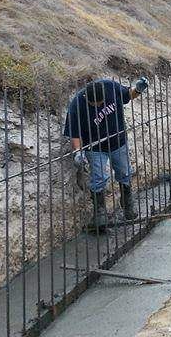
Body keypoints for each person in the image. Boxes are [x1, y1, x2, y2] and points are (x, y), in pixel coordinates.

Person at [64, 76, 149, 232]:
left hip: (118, 142)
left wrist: (138, 90)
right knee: (99, 177)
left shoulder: (111, 87)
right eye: (94, 105)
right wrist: (78, 152)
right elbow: (74, 134)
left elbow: (128, 95)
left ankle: (127, 203)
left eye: (100, 104)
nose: (98, 106)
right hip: (95, 147)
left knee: (124, 172)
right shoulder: (77, 104)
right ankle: (100, 213)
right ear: (86, 98)